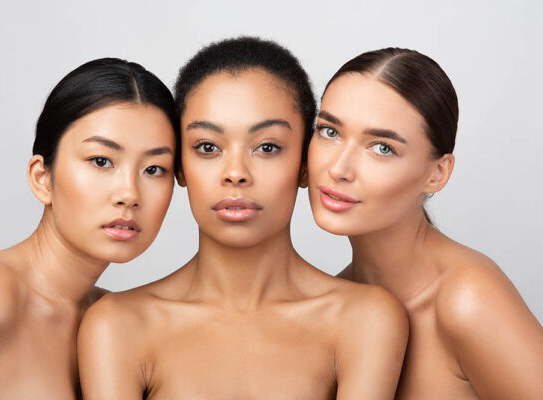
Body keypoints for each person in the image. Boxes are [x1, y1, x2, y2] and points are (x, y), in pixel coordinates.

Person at [78, 37, 408, 400]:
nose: (235, 173)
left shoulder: (366, 319)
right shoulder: (117, 326)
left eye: (267, 147)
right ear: (181, 168)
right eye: (208, 147)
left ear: (304, 165)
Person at [307, 47, 543, 399]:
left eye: (382, 147)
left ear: (437, 173)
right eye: (329, 131)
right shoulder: (332, 308)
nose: (339, 168)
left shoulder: (467, 300)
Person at [0, 58, 179, 400]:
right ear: (43, 178)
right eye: (101, 161)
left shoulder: (117, 321)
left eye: (155, 169)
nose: (129, 193)